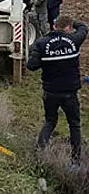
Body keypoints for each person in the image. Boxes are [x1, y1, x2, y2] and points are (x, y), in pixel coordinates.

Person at [27, 16, 87, 168]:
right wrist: (75, 22)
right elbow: (84, 28)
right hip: (70, 92)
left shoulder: (42, 43)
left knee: (50, 121)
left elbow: (31, 66)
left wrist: (44, 57)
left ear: (54, 26)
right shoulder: (74, 40)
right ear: (68, 27)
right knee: (74, 124)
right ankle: (75, 160)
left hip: (51, 91)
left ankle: (39, 152)